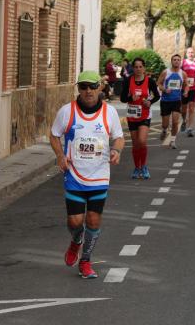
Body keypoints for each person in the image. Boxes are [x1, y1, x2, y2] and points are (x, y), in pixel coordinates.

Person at [50, 70, 125, 279]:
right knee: (75, 222)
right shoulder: (67, 111)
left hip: (100, 175)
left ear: (100, 87)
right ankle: (76, 241)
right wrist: (59, 155)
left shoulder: (109, 112)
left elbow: (119, 137)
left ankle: (85, 261)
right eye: (83, 87)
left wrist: (116, 150)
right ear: (79, 89)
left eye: (92, 86)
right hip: (74, 175)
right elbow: (54, 135)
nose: (88, 91)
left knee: (93, 220)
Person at [120, 57, 160, 180]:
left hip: (144, 114)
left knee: (142, 141)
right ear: (133, 68)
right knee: (135, 143)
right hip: (132, 115)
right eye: (136, 67)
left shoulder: (150, 81)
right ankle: (137, 167)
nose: (138, 69)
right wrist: (130, 98)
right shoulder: (128, 80)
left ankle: (144, 166)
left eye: (140, 67)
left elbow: (157, 95)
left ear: (144, 68)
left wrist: (150, 102)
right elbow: (122, 98)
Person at [157, 54, 189, 149]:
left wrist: (186, 91)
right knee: (165, 124)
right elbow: (159, 83)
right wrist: (164, 89)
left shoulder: (183, 73)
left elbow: (186, 85)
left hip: (176, 100)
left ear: (180, 62)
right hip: (165, 101)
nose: (176, 61)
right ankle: (164, 130)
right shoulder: (165, 72)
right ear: (171, 61)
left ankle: (173, 140)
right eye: (174, 59)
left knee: (175, 122)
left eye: (178, 60)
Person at [180, 47, 195, 137]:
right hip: (184, 88)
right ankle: (184, 120)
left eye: (192, 52)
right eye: (189, 52)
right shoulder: (183, 62)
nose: (191, 54)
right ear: (186, 53)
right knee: (183, 109)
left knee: (191, 108)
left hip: (193, 88)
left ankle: (190, 128)